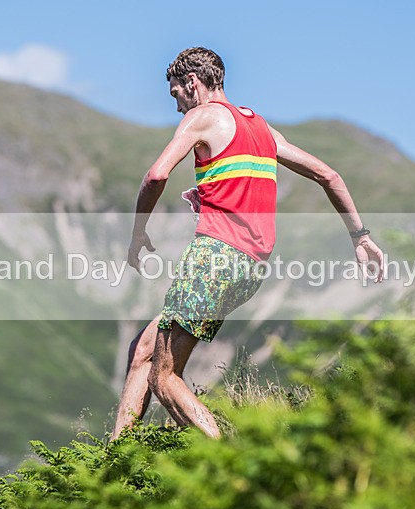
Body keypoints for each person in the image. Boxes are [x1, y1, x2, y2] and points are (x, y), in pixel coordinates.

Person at [111, 47, 384, 440]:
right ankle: (116, 460)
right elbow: (329, 175)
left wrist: (138, 232)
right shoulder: (261, 128)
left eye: (176, 94)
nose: (177, 106)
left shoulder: (200, 117)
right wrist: (361, 236)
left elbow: (156, 176)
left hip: (213, 259)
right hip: (249, 269)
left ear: (192, 83)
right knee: (144, 349)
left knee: (164, 378)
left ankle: (226, 456)